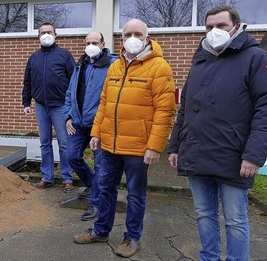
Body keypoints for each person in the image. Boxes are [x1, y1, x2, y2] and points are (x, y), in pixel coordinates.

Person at [167, 5, 267, 261]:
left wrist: (254, 155)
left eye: (220, 26)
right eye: (209, 27)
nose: (214, 31)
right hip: (197, 153)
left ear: (236, 27)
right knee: (204, 214)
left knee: (235, 220)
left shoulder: (258, 59)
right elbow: (185, 108)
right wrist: (175, 146)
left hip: (234, 158)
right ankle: (208, 257)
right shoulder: (200, 60)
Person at [73, 19, 176, 258]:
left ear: (147, 37)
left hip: (139, 148)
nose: (132, 37)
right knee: (104, 188)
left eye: (137, 33)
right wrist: (96, 132)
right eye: (127, 33)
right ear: (121, 37)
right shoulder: (114, 67)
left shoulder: (160, 68)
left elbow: (165, 112)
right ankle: (100, 231)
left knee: (135, 194)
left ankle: (131, 238)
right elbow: (104, 103)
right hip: (109, 144)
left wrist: (154, 146)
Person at [64, 31, 117, 221]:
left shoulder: (112, 65)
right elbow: (70, 92)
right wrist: (67, 118)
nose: (91, 45)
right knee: (72, 157)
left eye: (95, 42)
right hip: (77, 123)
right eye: (88, 42)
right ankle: (92, 183)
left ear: (103, 44)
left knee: (102, 165)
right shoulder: (81, 65)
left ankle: (95, 203)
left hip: (99, 125)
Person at [22, 22, 76, 192]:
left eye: (49, 32)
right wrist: (26, 102)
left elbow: (74, 81)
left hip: (60, 107)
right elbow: (28, 82)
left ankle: (67, 178)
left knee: (64, 143)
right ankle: (47, 177)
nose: (46, 34)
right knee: (44, 143)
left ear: (55, 34)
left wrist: (72, 105)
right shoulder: (34, 58)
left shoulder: (64, 55)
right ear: (38, 36)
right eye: (42, 32)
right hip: (40, 106)